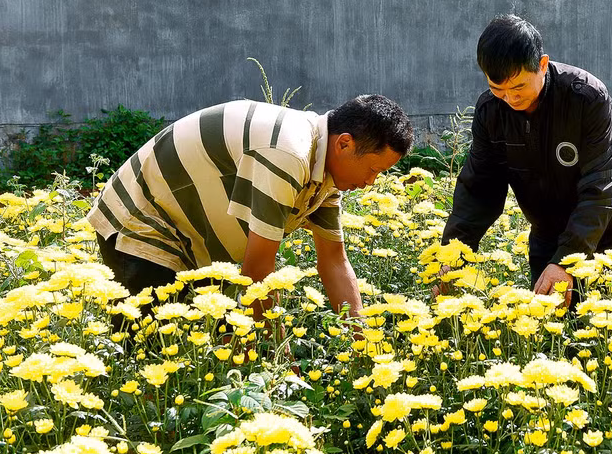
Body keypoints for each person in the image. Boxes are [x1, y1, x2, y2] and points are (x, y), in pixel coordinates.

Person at [87, 94, 413, 325]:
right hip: (144, 221)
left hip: (197, 241)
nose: (371, 182)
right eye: (373, 169)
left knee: (223, 343)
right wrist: (277, 360)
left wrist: (362, 347)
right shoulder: (289, 153)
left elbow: (334, 262)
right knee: (147, 347)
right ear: (344, 144)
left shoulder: (325, 169)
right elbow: (258, 269)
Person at [440, 14, 612, 306]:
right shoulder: (490, 113)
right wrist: (453, 256)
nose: (510, 98)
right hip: (548, 228)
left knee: (610, 324)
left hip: (610, 227)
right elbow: (479, 191)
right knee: (552, 328)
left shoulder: (586, 98)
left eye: (519, 87)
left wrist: (566, 260)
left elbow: (600, 186)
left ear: (542, 65)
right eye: (498, 90)